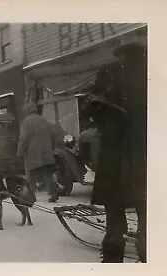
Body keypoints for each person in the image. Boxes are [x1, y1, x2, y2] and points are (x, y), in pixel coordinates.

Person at [83, 41, 147, 263]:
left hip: (115, 155)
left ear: (121, 55)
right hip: (146, 155)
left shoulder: (109, 72)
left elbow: (90, 107)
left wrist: (108, 125)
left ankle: (113, 259)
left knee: (115, 212)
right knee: (148, 210)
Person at [16, 102, 59, 202]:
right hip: (46, 153)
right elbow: (54, 134)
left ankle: (30, 196)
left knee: (31, 176)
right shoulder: (43, 120)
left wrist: (19, 152)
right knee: (48, 175)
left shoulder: (26, 122)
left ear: (26, 111)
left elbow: (23, 139)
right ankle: (53, 193)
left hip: (33, 154)